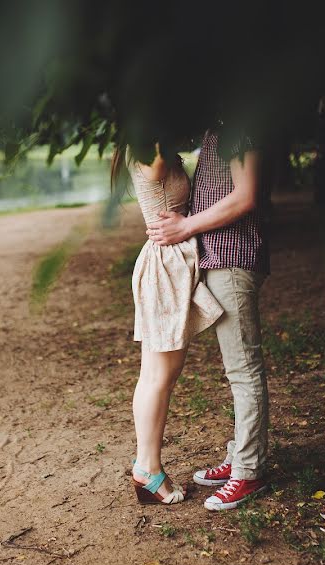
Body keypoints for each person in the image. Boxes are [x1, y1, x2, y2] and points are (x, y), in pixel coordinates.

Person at [145, 128, 270, 511]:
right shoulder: (223, 122)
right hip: (219, 256)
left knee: (243, 369)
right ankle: (239, 456)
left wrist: (185, 227)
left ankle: (249, 472)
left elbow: (245, 195)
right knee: (237, 369)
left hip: (232, 257)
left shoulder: (241, 122)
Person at [111, 144, 224, 505]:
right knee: (159, 376)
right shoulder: (150, 150)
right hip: (164, 266)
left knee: (158, 374)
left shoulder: (152, 149)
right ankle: (147, 470)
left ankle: (147, 465)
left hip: (168, 263)